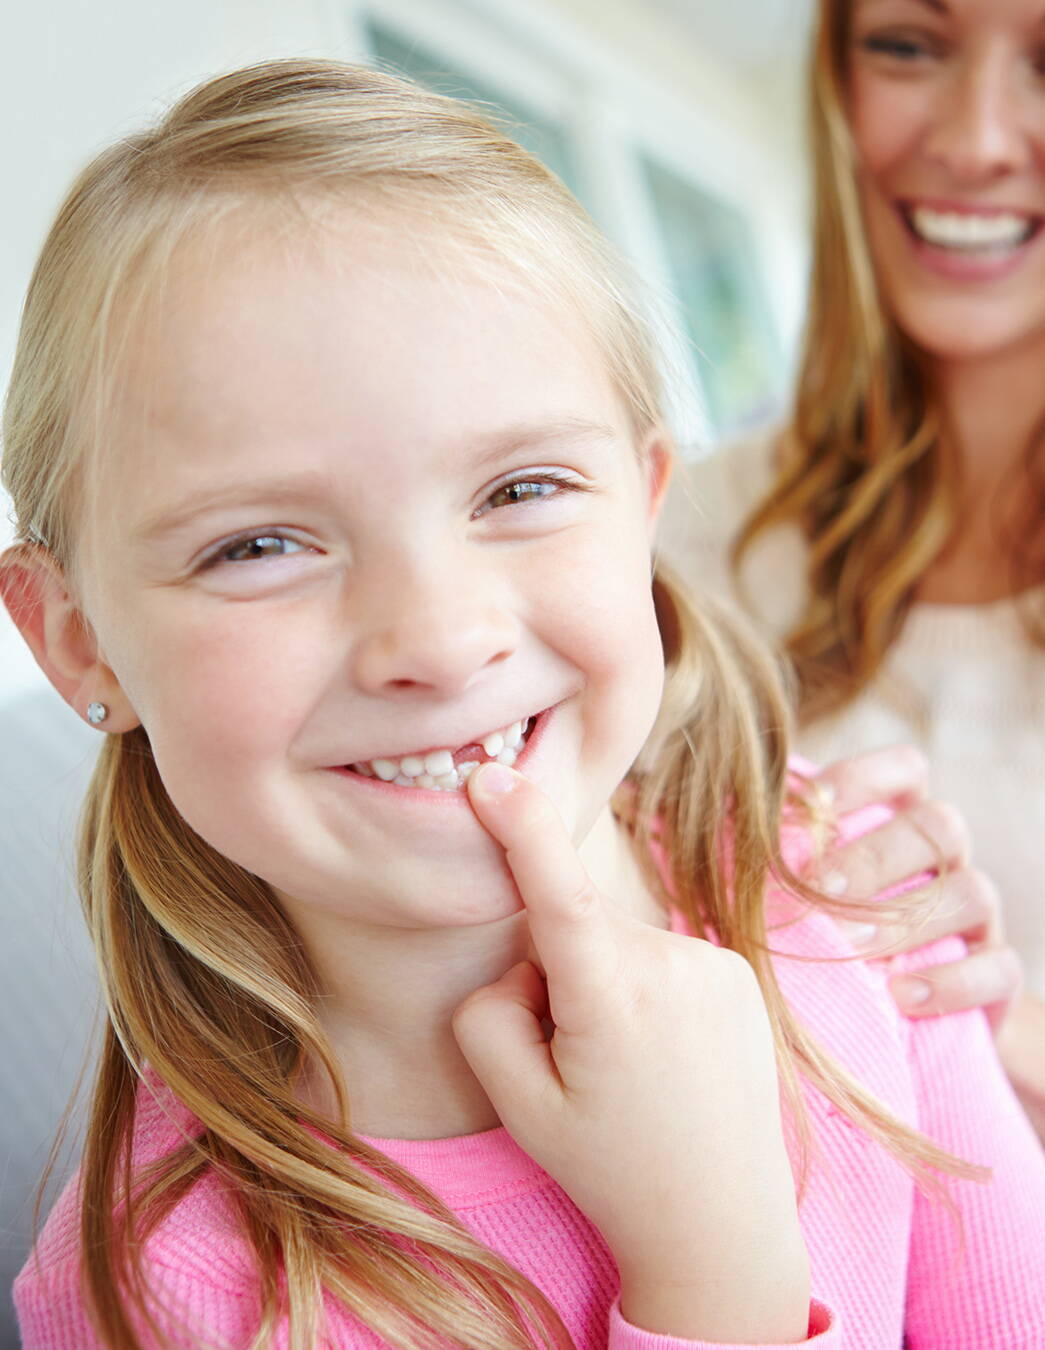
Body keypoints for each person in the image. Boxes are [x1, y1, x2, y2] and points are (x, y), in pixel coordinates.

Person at [3, 59, 1044, 1350]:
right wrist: (714, 1279)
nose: (439, 642)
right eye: (260, 544)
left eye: (520, 489)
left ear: (647, 508)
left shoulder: (848, 909)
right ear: (76, 640)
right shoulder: (158, 1292)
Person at [663, 0, 1045, 1136]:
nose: (974, 138)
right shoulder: (682, 543)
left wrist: (1002, 1052)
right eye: (907, 46)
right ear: (834, 85)